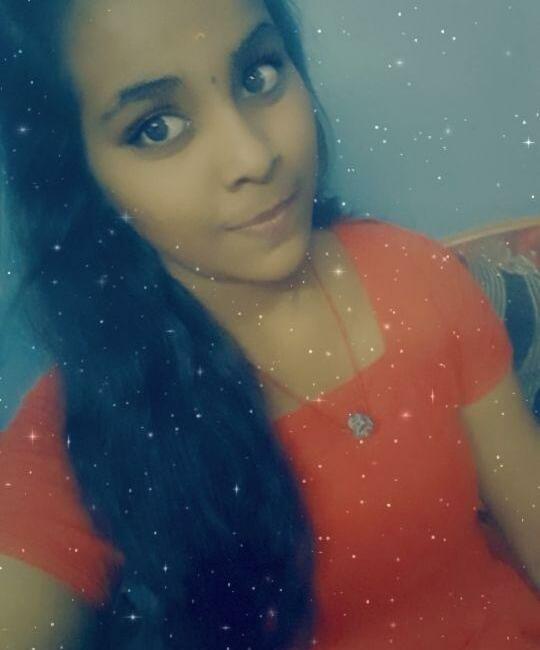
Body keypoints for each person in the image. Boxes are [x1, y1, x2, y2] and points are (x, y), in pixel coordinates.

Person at [0, 0, 538, 648]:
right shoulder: (80, 427)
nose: (253, 156)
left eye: (258, 74)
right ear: (81, 176)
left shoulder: (417, 272)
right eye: (156, 127)